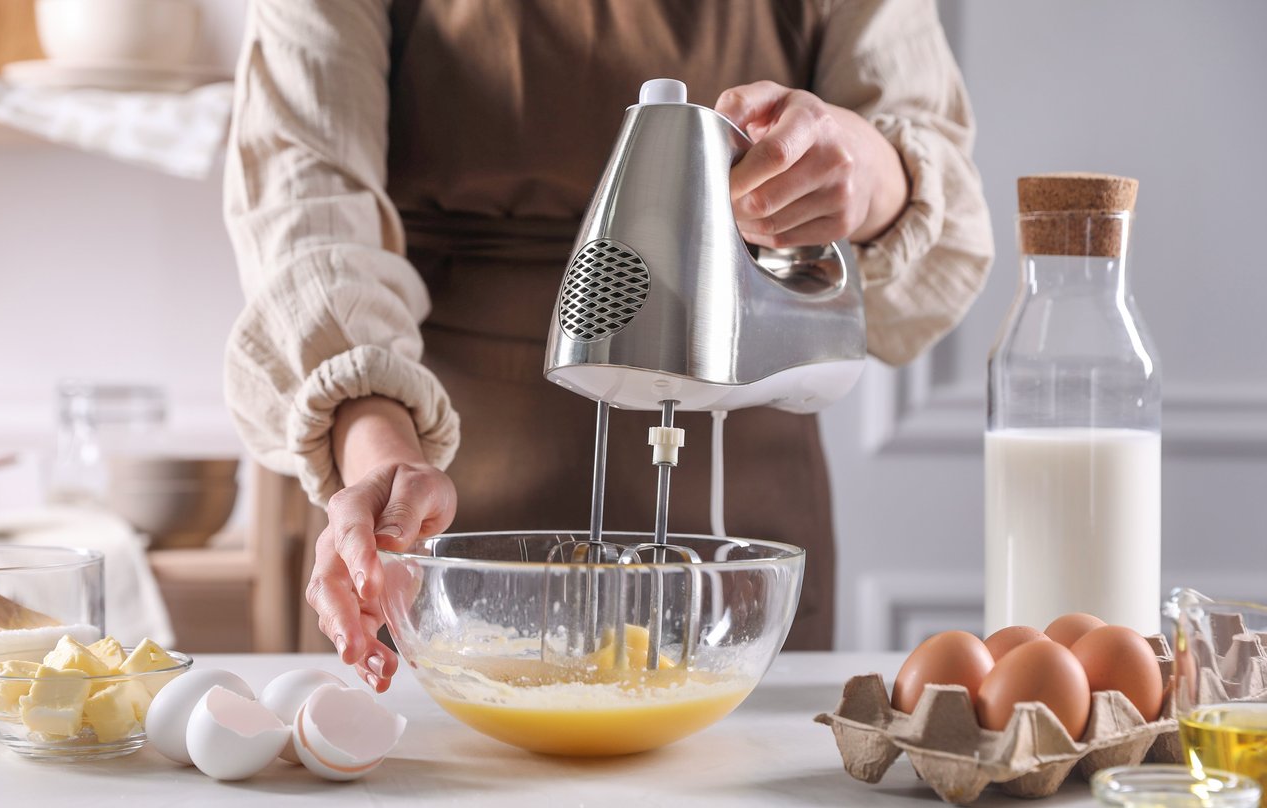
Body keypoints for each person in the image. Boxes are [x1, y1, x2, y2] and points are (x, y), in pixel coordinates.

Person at [223, 0, 993, 692]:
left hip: (740, 528)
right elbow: (310, 207)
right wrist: (382, 460)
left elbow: (938, 191)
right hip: (435, 520)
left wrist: (868, 174)